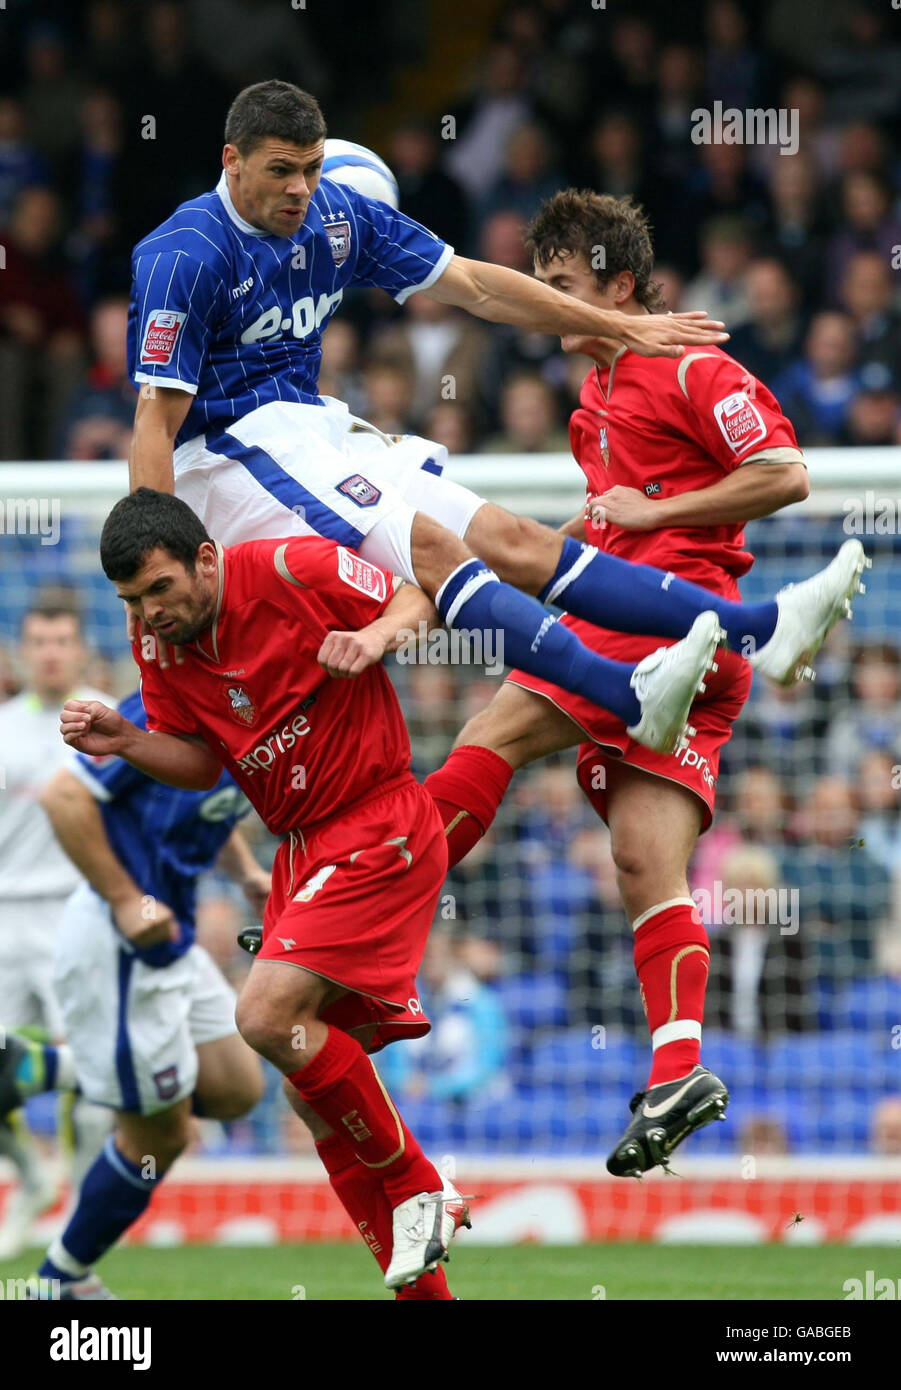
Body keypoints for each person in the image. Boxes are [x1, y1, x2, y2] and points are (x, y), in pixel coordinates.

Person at [421, 189, 868, 1178]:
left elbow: (786, 473)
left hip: (667, 620)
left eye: (564, 286)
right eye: (538, 288)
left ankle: (366, 908)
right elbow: (621, 520)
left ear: (620, 287)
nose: (548, 305)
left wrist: (666, 501)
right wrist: (567, 536)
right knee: (641, 868)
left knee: (486, 741)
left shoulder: (693, 366)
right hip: (680, 652)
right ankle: (679, 1069)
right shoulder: (591, 405)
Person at [127, 77, 765, 761]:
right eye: (281, 171)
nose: (299, 189)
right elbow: (155, 424)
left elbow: (480, 286)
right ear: (232, 162)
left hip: (303, 431)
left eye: (311, 169)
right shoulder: (183, 257)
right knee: (432, 554)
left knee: (506, 537)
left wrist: (615, 323)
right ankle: (630, 696)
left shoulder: (336, 215)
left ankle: (752, 627)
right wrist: (156, 562)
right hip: (221, 458)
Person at [59, 488, 480, 1296]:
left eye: (159, 591)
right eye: (131, 603)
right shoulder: (160, 651)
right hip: (299, 849)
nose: (148, 617)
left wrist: (375, 636)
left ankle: (421, 1185)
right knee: (312, 1100)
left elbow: (417, 592)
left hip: (371, 818)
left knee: (262, 1016)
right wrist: (129, 743)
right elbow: (203, 762)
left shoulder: (291, 566)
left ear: (205, 560)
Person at [0, 691, 266, 1299]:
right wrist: (126, 900)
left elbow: (209, 808)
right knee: (161, 1138)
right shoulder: (168, 701)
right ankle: (59, 1282)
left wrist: (246, 872)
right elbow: (62, 796)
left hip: (173, 932)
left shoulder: (253, 704)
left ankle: (47, 1065)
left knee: (234, 1088)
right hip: (122, 943)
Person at [0, 591, 111, 1259]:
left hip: (79, 911)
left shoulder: (109, 718)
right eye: (38, 641)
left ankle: (87, 1213)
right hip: (4, 914)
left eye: (60, 641)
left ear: (79, 649)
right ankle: (32, 1173)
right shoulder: (5, 724)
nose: (49, 653)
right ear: (22, 651)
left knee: (94, 1069)